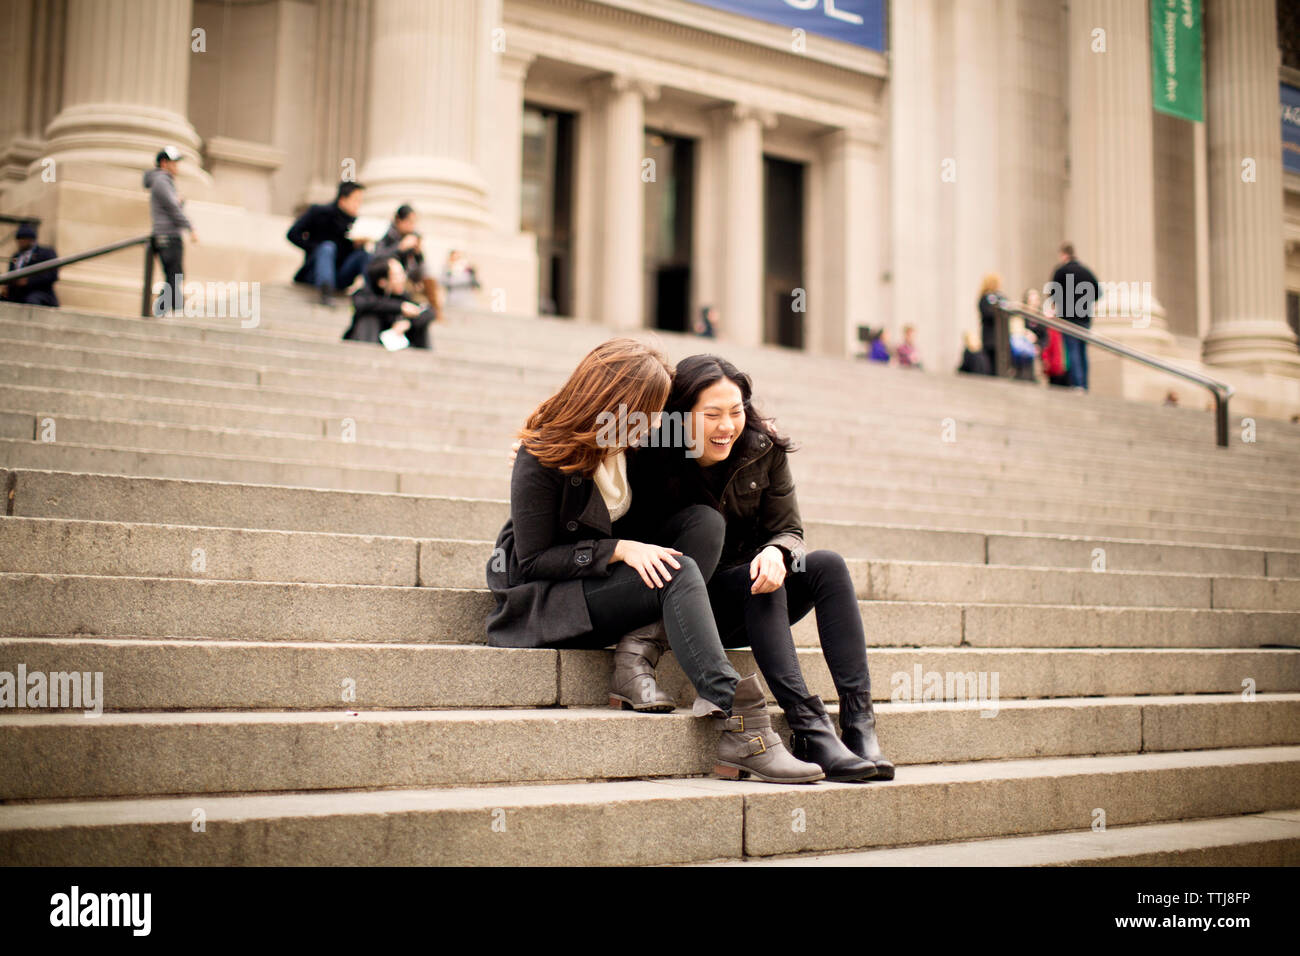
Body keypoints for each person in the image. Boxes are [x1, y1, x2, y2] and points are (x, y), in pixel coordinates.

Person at [488, 339, 823, 784]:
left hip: (604, 584)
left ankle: (636, 659)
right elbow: (531, 562)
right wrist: (618, 550)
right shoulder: (542, 454)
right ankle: (742, 722)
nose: (656, 424)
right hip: (549, 598)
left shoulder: (632, 444)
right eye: (647, 411)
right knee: (678, 570)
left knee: (704, 523)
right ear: (614, 404)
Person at [622, 355, 893, 782]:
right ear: (681, 413)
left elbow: (789, 528)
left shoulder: (762, 448)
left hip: (746, 598)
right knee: (759, 581)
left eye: (736, 411)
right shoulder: (651, 453)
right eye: (712, 415)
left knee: (827, 565)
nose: (727, 426)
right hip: (685, 604)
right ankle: (807, 724)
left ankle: (859, 723)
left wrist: (777, 552)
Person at [288, 181, 369, 306]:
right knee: (327, 247)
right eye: (356, 201)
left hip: (340, 276)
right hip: (315, 273)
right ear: (343, 200)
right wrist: (315, 248)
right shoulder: (319, 212)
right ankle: (325, 291)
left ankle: (370, 293)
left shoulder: (357, 223)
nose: (358, 205)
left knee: (364, 255)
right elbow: (293, 234)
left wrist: (358, 245)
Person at [143, 146, 197, 316]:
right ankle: (170, 311)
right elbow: (173, 208)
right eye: (174, 163)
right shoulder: (162, 180)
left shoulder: (163, 182)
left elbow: (172, 205)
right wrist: (190, 227)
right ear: (164, 163)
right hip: (168, 236)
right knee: (175, 276)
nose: (177, 167)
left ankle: (166, 311)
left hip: (166, 235)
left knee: (174, 276)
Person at [342, 256, 433, 350]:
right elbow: (362, 304)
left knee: (421, 324)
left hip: (396, 344)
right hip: (368, 340)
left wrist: (408, 323)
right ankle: (367, 353)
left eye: (403, 274)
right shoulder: (365, 294)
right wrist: (400, 307)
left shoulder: (404, 296)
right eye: (397, 276)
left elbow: (428, 311)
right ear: (382, 282)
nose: (403, 279)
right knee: (369, 317)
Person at [373, 205, 442, 317]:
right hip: (389, 277)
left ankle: (435, 311)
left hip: (407, 277)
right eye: (409, 222)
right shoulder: (388, 234)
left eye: (414, 222)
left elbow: (419, 265)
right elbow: (377, 258)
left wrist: (418, 253)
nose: (412, 226)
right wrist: (400, 247)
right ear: (399, 221)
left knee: (429, 277)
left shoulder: (412, 236)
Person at [1049, 241, 1099, 391]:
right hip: (1084, 317)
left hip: (1069, 317)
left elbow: (1053, 293)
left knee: (1072, 350)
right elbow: (1097, 292)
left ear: (1063, 255)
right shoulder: (1086, 272)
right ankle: (1084, 384)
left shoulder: (1061, 271)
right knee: (1083, 351)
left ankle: (1078, 384)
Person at [1, 223, 59, 307]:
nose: (21, 242)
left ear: (31, 240)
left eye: (24, 239)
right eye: (19, 239)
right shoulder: (16, 256)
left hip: (40, 292)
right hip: (17, 293)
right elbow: (11, 274)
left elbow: (52, 275)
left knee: (32, 300)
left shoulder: (46, 253)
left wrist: (28, 281)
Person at [977, 273, 1004, 374]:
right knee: (991, 365)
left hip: (1001, 337)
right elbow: (988, 314)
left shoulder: (1001, 297)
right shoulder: (985, 298)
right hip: (990, 338)